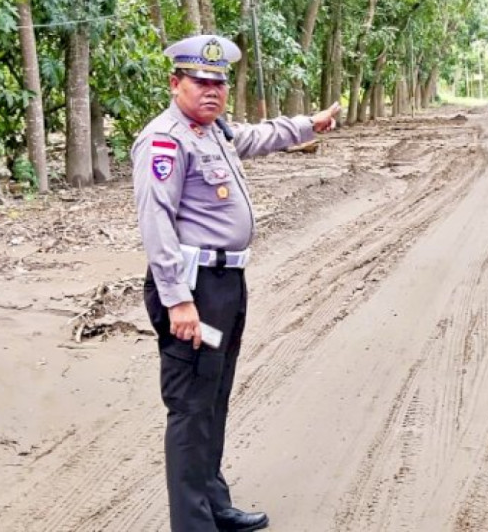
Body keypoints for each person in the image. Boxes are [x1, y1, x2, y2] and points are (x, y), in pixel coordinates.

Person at [133, 34, 340, 531]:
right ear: (175, 83)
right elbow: (156, 224)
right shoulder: (165, 140)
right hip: (194, 292)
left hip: (225, 287)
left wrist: (307, 125)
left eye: (219, 83)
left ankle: (214, 505)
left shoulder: (212, 131)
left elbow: (256, 137)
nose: (212, 91)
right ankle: (193, 524)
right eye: (200, 82)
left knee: (214, 396)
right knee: (190, 406)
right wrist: (178, 302)